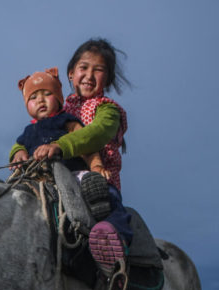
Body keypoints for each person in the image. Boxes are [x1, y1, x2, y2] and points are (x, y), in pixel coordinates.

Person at [11, 38, 132, 274]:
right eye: (83, 68)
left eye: (98, 70)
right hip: (56, 178)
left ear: (107, 79)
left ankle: (115, 244)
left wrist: (59, 146)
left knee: (106, 200)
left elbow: (93, 135)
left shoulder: (108, 110)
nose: (89, 75)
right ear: (70, 74)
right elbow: (24, 138)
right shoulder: (61, 111)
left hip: (95, 174)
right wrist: (18, 153)